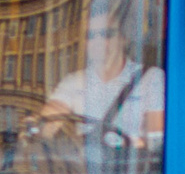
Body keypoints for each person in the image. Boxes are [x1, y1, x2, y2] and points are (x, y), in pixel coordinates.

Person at [46, 12, 163, 150]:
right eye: (90, 36)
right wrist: (35, 128)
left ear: (123, 38)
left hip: (130, 167)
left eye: (106, 34)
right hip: (85, 168)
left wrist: (125, 144)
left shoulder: (151, 78)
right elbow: (50, 117)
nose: (98, 41)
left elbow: (155, 139)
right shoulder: (73, 82)